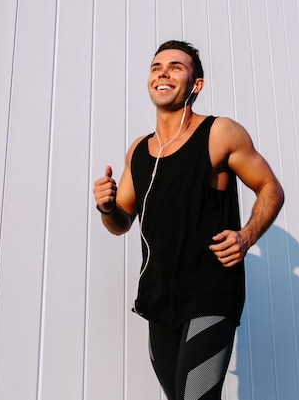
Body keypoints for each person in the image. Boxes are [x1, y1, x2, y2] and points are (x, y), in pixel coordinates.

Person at [93, 40, 284, 400]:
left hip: (209, 293)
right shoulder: (138, 149)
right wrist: (106, 207)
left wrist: (247, 236)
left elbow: (270, 187)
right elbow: (121, 223)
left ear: (196, 84)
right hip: (158, 298)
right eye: (156, 67)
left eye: (176, 67)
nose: (163, 72)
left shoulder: (219, 133)